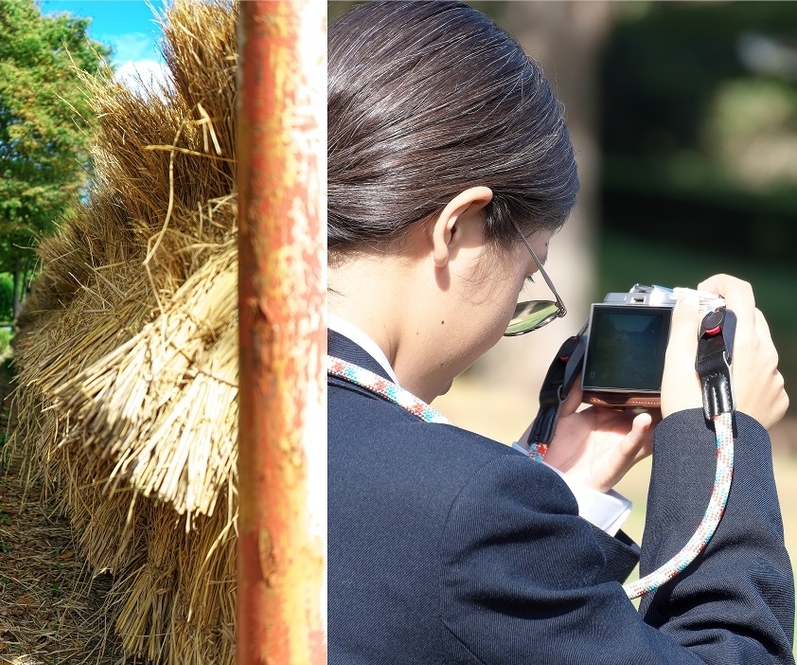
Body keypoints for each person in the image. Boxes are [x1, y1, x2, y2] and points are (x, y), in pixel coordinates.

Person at [326, 2, 794, 663]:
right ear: (457, 227)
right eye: (527, 278)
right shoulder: (468, 510)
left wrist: (558, 494)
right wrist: (725, 436)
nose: (508, 322)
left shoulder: (188, 403)